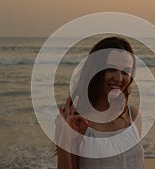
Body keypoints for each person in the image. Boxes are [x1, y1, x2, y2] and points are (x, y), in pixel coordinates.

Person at [55, 36, 144, 169]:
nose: (119, 78)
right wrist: (64, 141)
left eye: (126, 71)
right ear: (95, 70)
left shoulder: (133, 116)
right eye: (111, 69)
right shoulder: (76, 121)